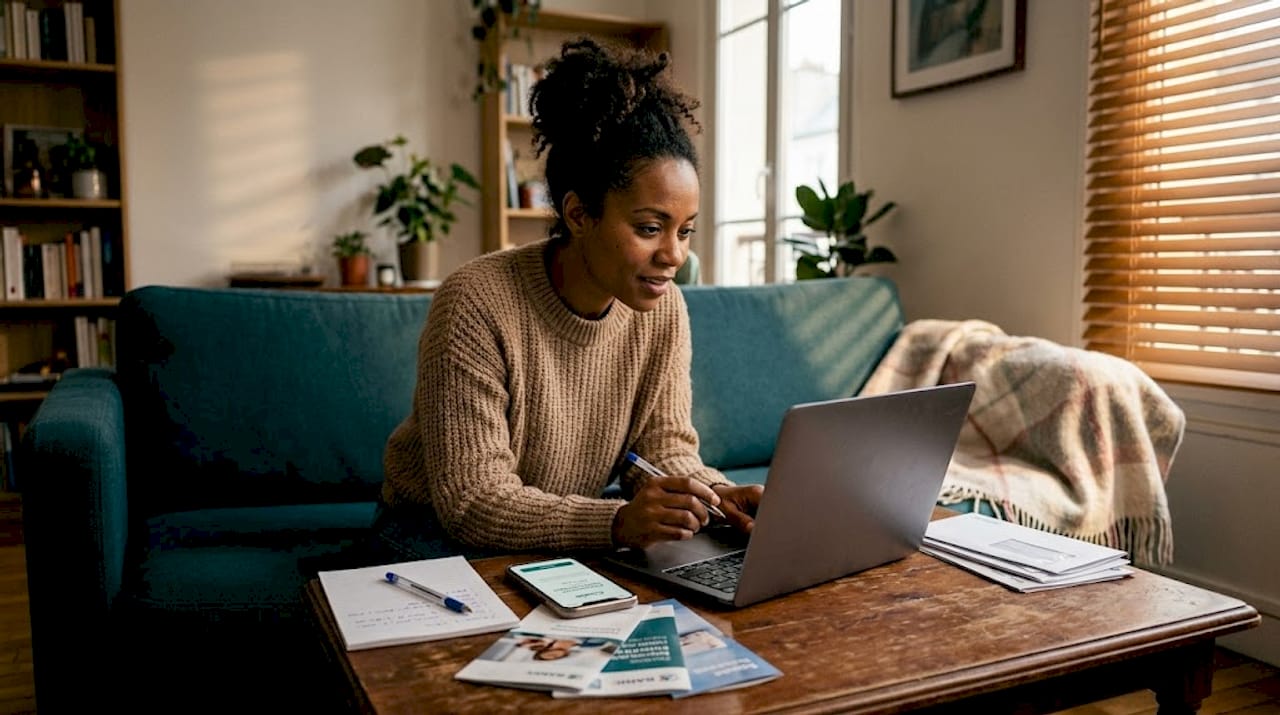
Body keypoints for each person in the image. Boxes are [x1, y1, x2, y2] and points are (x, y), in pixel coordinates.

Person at [376, 37, 762, 559]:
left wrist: (713, 497)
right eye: (650, 227)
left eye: (686, 230)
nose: (674, 255)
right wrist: (620, 523)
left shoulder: (663, 307)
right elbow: (474, 502)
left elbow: (660, 446)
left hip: (562, 523)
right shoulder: (476, 302)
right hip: (431, 532)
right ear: (579, 215)